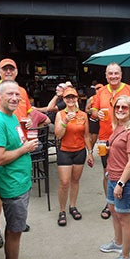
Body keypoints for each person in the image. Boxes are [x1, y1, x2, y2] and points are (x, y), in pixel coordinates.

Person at [0, 80, 39, 259]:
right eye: (10, 94)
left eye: (17, 94)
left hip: (20, 182)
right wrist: (24, 149)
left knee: (15, 228)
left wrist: (26, 137)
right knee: (15, 231)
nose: (15, 98)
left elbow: (15, 142)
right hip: (12, 186)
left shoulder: (13, 117)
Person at [97, 95, 130, 259]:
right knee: (114, 211)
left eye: (125, 107)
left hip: (125, 181)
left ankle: (126, 257)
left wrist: (121, 184)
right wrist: (109, 148)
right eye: (117, 107)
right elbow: (121, 150)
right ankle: (117, 243)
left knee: (125, 218)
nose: (120, 110)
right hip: (112, 176)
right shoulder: (118, 126)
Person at [90, 63, 130, 220]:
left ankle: (124, 199)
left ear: (121, 74)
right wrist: (97, 114)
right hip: (106, 138)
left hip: (126, 136)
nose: (113, 76)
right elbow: (93, 110)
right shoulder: (101, 91)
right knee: (107, 172)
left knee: (128, 167)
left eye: (116, 73)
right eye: (110, 73)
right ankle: (109, 200)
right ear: (106, 75)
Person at [53, 86, 91, 226]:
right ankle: (62, 210)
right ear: (64, 99)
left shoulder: (83, 115)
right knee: (64, 182)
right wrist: (65, 121)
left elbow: (86, 135)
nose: (70, 99)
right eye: (67, 97)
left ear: (77, 99)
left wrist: (90, 153)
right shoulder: (60, 114)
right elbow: (58, 135)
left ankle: (72, 206)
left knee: (75, 181)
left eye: (73, 97)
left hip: (80, 151)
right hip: (64, 151)